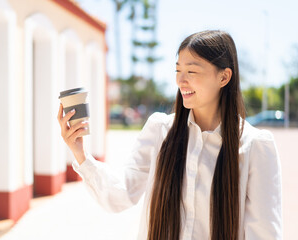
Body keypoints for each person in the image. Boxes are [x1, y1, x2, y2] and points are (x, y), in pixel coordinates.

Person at [57, 30, 282, 240]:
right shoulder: (160, 131)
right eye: (178, 71)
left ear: (224, 78)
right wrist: (81, 154)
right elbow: (121, 194)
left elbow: (264, 234)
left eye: (191, 71)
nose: (180, 81)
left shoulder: (255, 146)